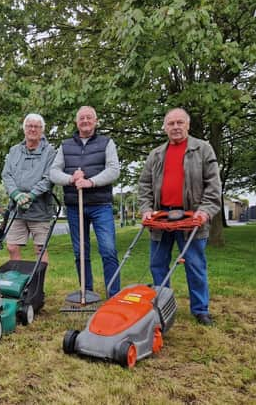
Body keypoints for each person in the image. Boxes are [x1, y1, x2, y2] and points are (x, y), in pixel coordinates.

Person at [138, 107, 221, 326]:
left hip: (191, 219)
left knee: (195, 264)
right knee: (158, 264)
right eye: (171, 123)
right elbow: (144, 184)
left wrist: (205, 211)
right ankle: (161, 304)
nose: (175, 127)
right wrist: (146, 209)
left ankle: (200, 309)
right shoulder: (156, 154)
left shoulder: (203, 149)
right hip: (161, 219)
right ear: (165, 127)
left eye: (179, 123)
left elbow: (213, 185)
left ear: (188, 125)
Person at [50, 106, 121, 297]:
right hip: (75, 206)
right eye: (82, 118)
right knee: (80, 251)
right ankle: (86, 292)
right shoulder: (65, 146)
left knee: (108, 250)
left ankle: (113, 293)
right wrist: (71, 179)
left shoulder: (107, 143)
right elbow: (53, 172)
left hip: (101, 206)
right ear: (76, 122)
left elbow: (114, 170)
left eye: (89, 117)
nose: (85, 121)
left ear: (96, 121)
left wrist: (90, 182)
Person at [1, 113, 56, 263]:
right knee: (12, 246)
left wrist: (31, 195)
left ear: (42, 130)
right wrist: (16, 194)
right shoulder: (14, 151)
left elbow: (49, 178)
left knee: (40, 248)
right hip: (17, 209)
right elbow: (6, 175)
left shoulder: (50, 152)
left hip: (40, 209)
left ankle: (38, 285)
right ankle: (19, 284)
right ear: (24, 129)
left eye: (36, 126)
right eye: (29, 126)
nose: (32, 129)